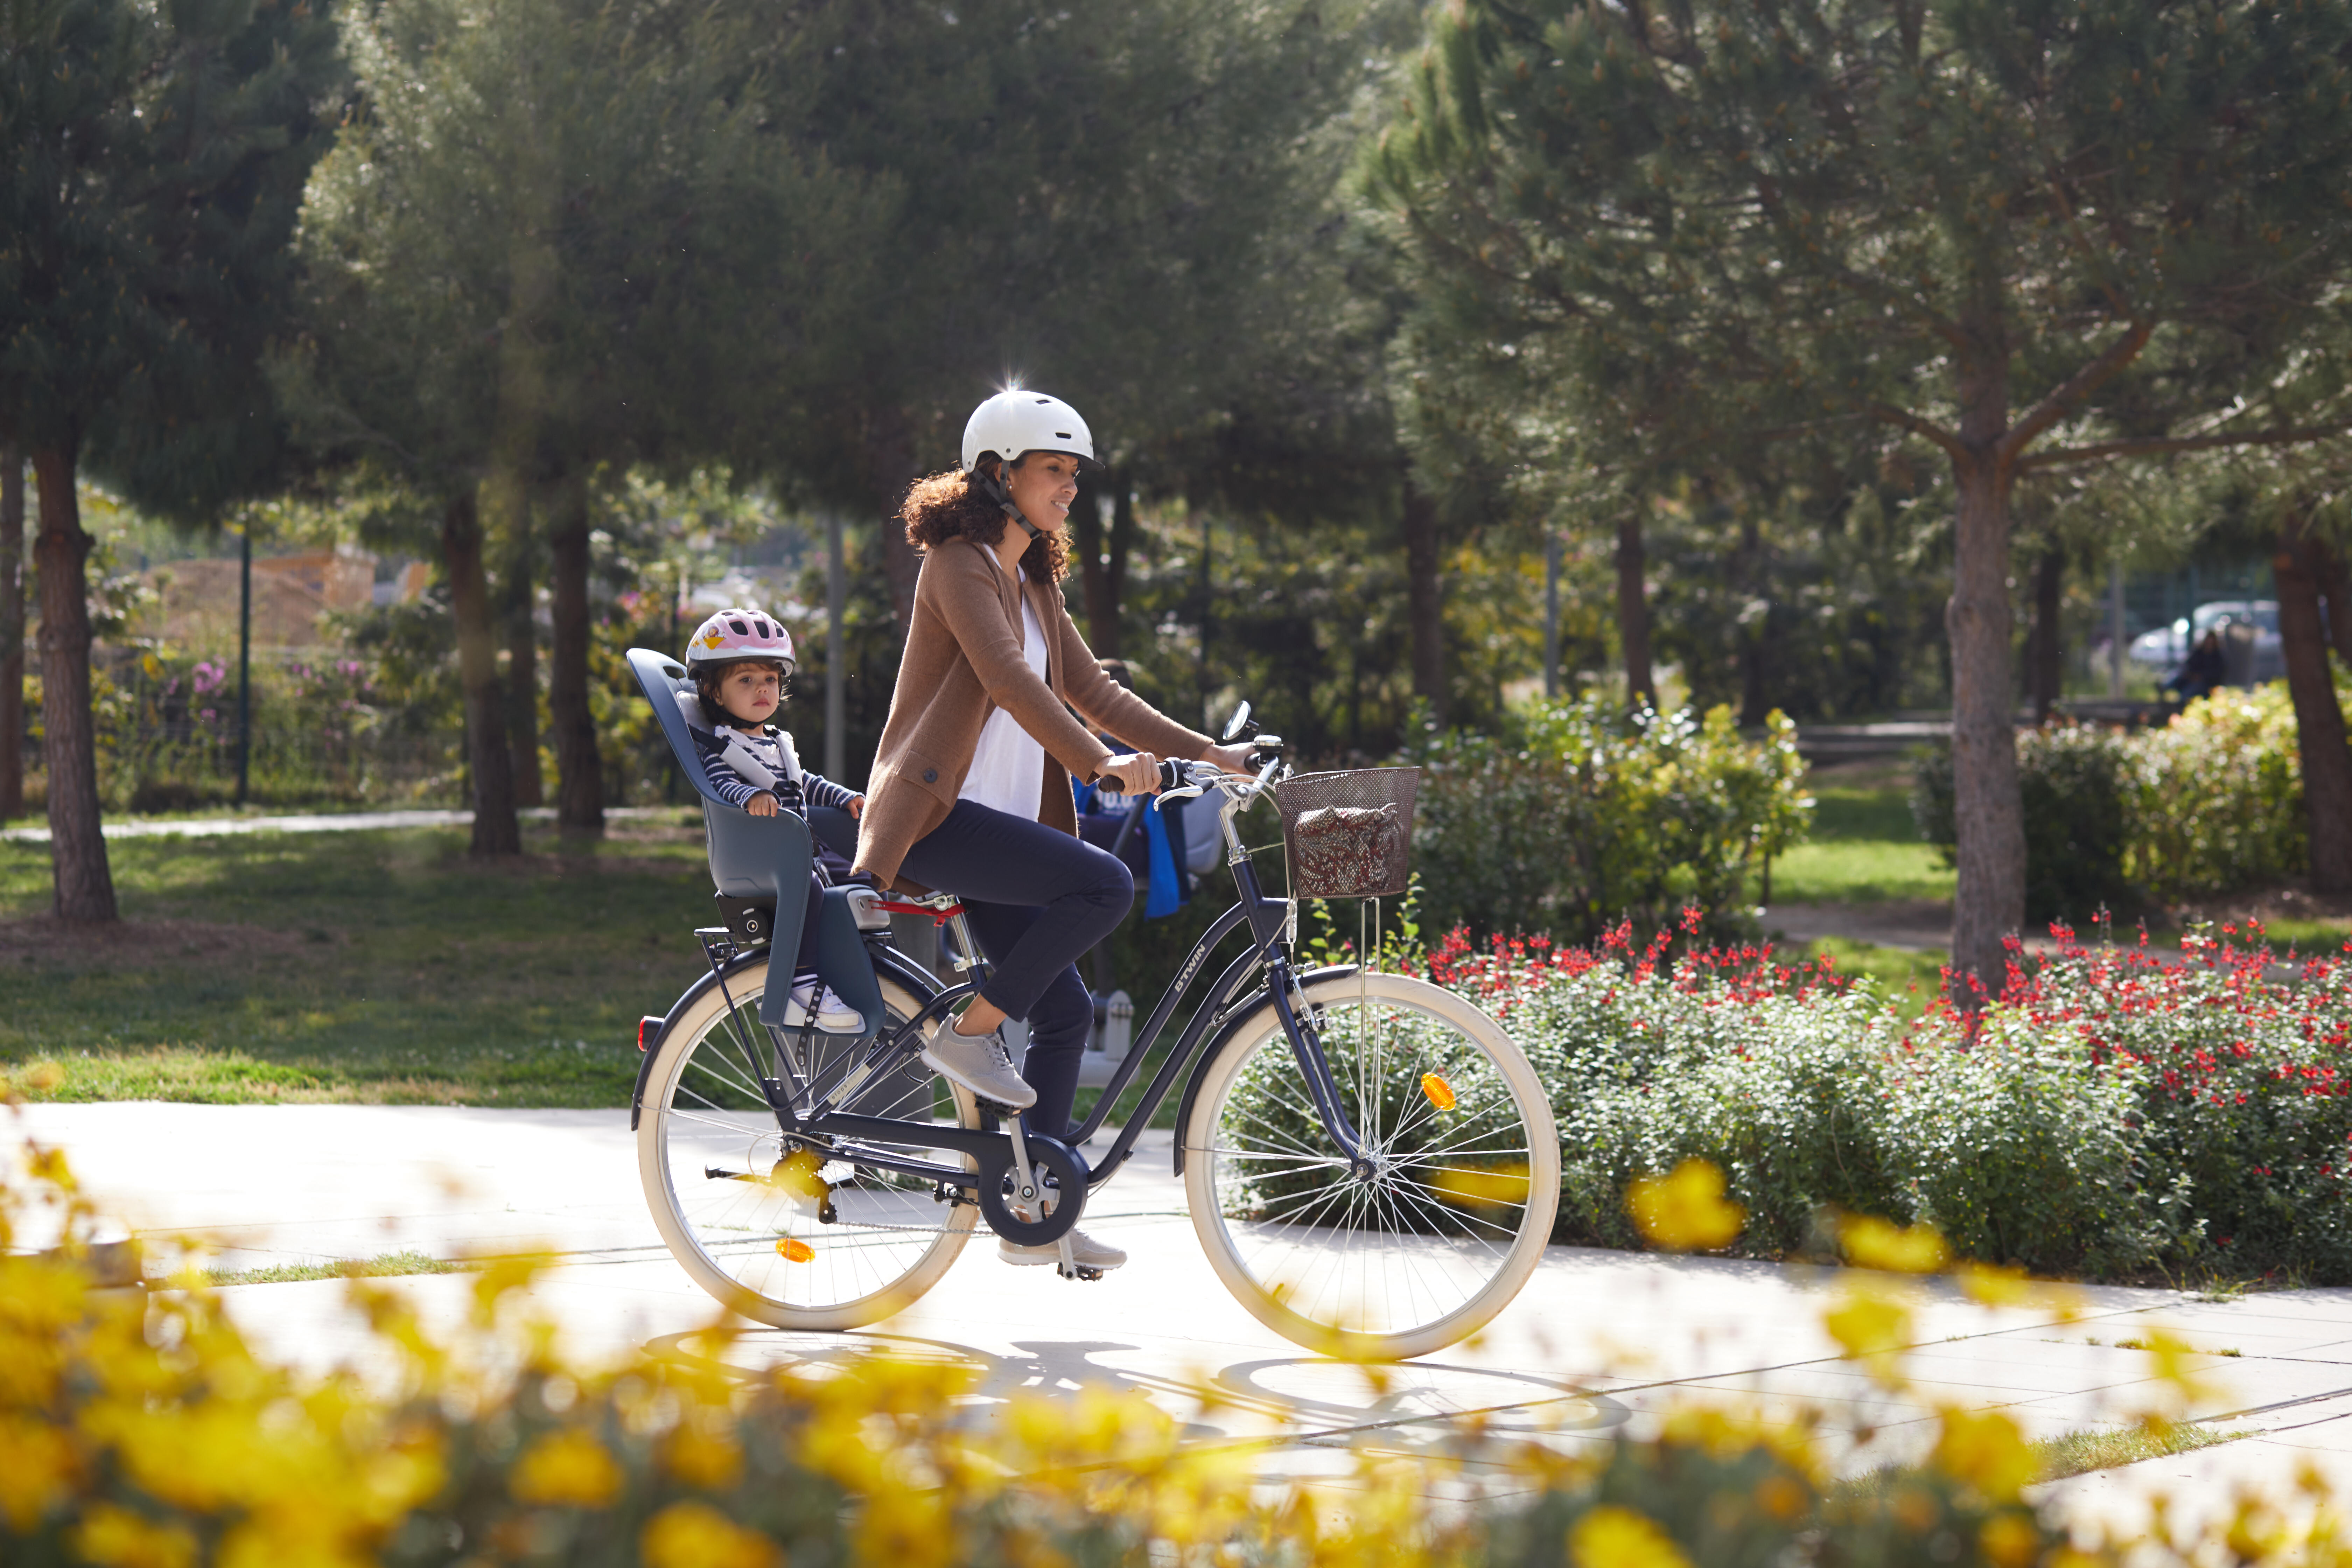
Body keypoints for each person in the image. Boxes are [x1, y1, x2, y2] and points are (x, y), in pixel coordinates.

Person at [854, 389, 1254, 1271]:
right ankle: (967, 1033)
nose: (1069, 490)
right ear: (1000, 473)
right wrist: (1096, 763)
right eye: (1054, 472)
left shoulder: (1033, 578)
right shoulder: (959, 565)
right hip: (938, 818)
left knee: (1067, 1007)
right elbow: (1005, 680)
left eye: (1074, 475)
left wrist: (1209, 752)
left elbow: (1095, 692)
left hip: (995, 826)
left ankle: (1033, 1209)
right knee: (1104, 885)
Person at [684, 607, 867, 1032]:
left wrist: (844, 798)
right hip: (761, 857)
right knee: (813, 891)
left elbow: (805, 783)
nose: (762, 689)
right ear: (713, 691)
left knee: (861, 873)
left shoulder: (775, 742)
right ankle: (801, 987)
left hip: (799, 850)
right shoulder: (722, 747)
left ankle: (860, 964)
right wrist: (750, 796)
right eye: (745, 680)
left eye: (769, 679)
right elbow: (720, 785)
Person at [2166, 627, 2227, 703]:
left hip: (2207, 683)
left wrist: (2201, 676)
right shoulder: (2199, 653)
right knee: (2178, 680)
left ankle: (2181, 704)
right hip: (2192, 679)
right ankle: (2165, 690)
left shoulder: (2218, 656)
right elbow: (2189, 664)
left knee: (2190, 691)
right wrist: (2189, 674)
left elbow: (2218, 673)